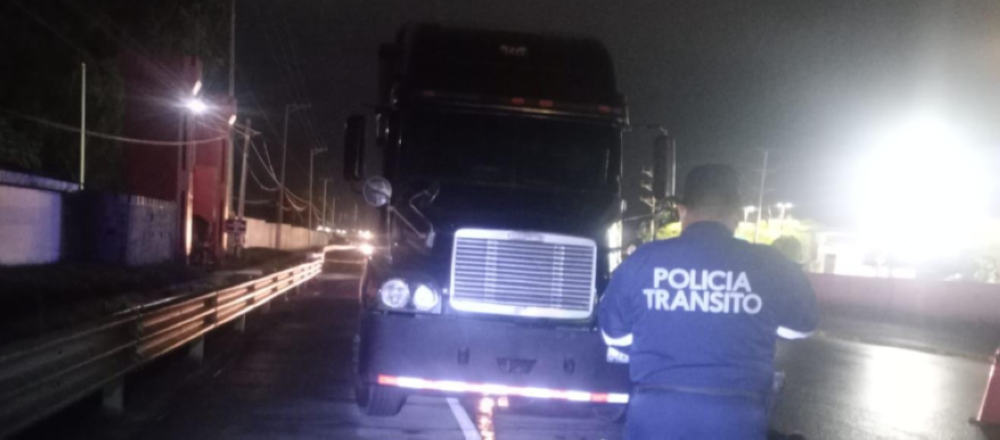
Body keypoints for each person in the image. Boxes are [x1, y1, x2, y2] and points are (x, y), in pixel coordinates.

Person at [599, 164, 818, 439]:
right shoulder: (773, 265)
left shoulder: (641, 261)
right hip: (738, 419)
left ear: (681, 210)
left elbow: (613, 335)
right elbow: (802, 328)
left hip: (655, 417)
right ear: (738, 213)